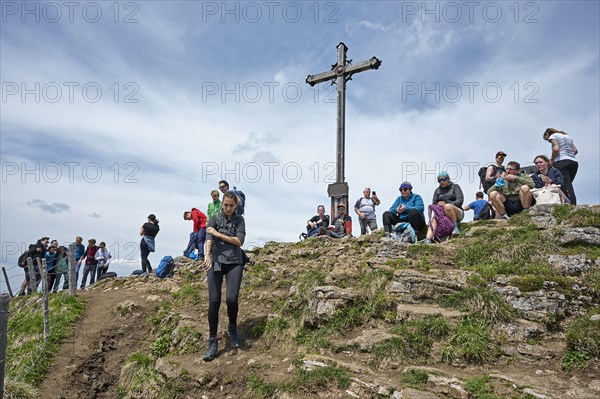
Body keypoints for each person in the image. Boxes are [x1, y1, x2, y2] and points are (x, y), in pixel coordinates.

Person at [202, 191, 246, 361]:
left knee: (231, 299)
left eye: (231, 205)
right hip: (216, 262)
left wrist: (218, 234)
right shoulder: (214, 218)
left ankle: (233, 328)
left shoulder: (240, 220)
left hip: (235, 262)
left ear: (236, 206)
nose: (228, 208)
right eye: (226, 205)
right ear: (222, 204)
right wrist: (207, 255)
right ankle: (212, 342)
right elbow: (208, 237)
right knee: (214, 300)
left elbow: (239, 241)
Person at [543, 128, 578, 204]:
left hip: (561, 162)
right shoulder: (567, 137)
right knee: (568, 184)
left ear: (547, 134)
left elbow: (556, 149)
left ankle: (571, 204)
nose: (548, 140)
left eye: (547, 139)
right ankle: (570, 202)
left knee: (565, 185)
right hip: (573, 162)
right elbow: (575, 151)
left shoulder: (553, 136)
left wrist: (552, 159)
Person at [432, 171, 464, 236]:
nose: (441, 182)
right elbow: (434, 203)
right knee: (433, 219)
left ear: (448, 179)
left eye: (443, 179)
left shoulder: (455, 186)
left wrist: (446, 204)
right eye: (439, 180)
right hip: (442, 213)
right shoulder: (437, 190)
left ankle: (455, 228)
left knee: (447, 206)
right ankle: (429, 238)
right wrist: (438, 205)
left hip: (457, 211)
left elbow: (460, 201)